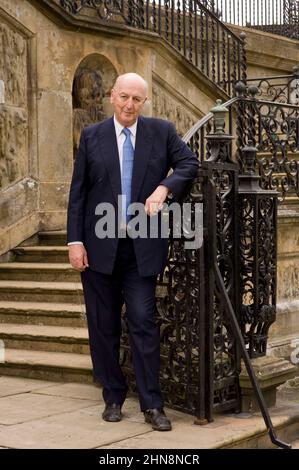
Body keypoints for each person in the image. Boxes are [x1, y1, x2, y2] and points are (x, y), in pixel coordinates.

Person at [67, 72, 199, 431]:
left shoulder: (162, 131)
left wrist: (164, 189)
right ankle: (112, 396)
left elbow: (190, 164)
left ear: (144, 102)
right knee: (103, 326)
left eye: (136, 100)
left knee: (143, 322)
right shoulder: (92, 136)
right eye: (123, 97)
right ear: (112, 96)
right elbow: (77, 193)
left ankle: (152, 404)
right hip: (98, 248)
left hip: (142, 247)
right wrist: (74, 242)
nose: (129, 105)